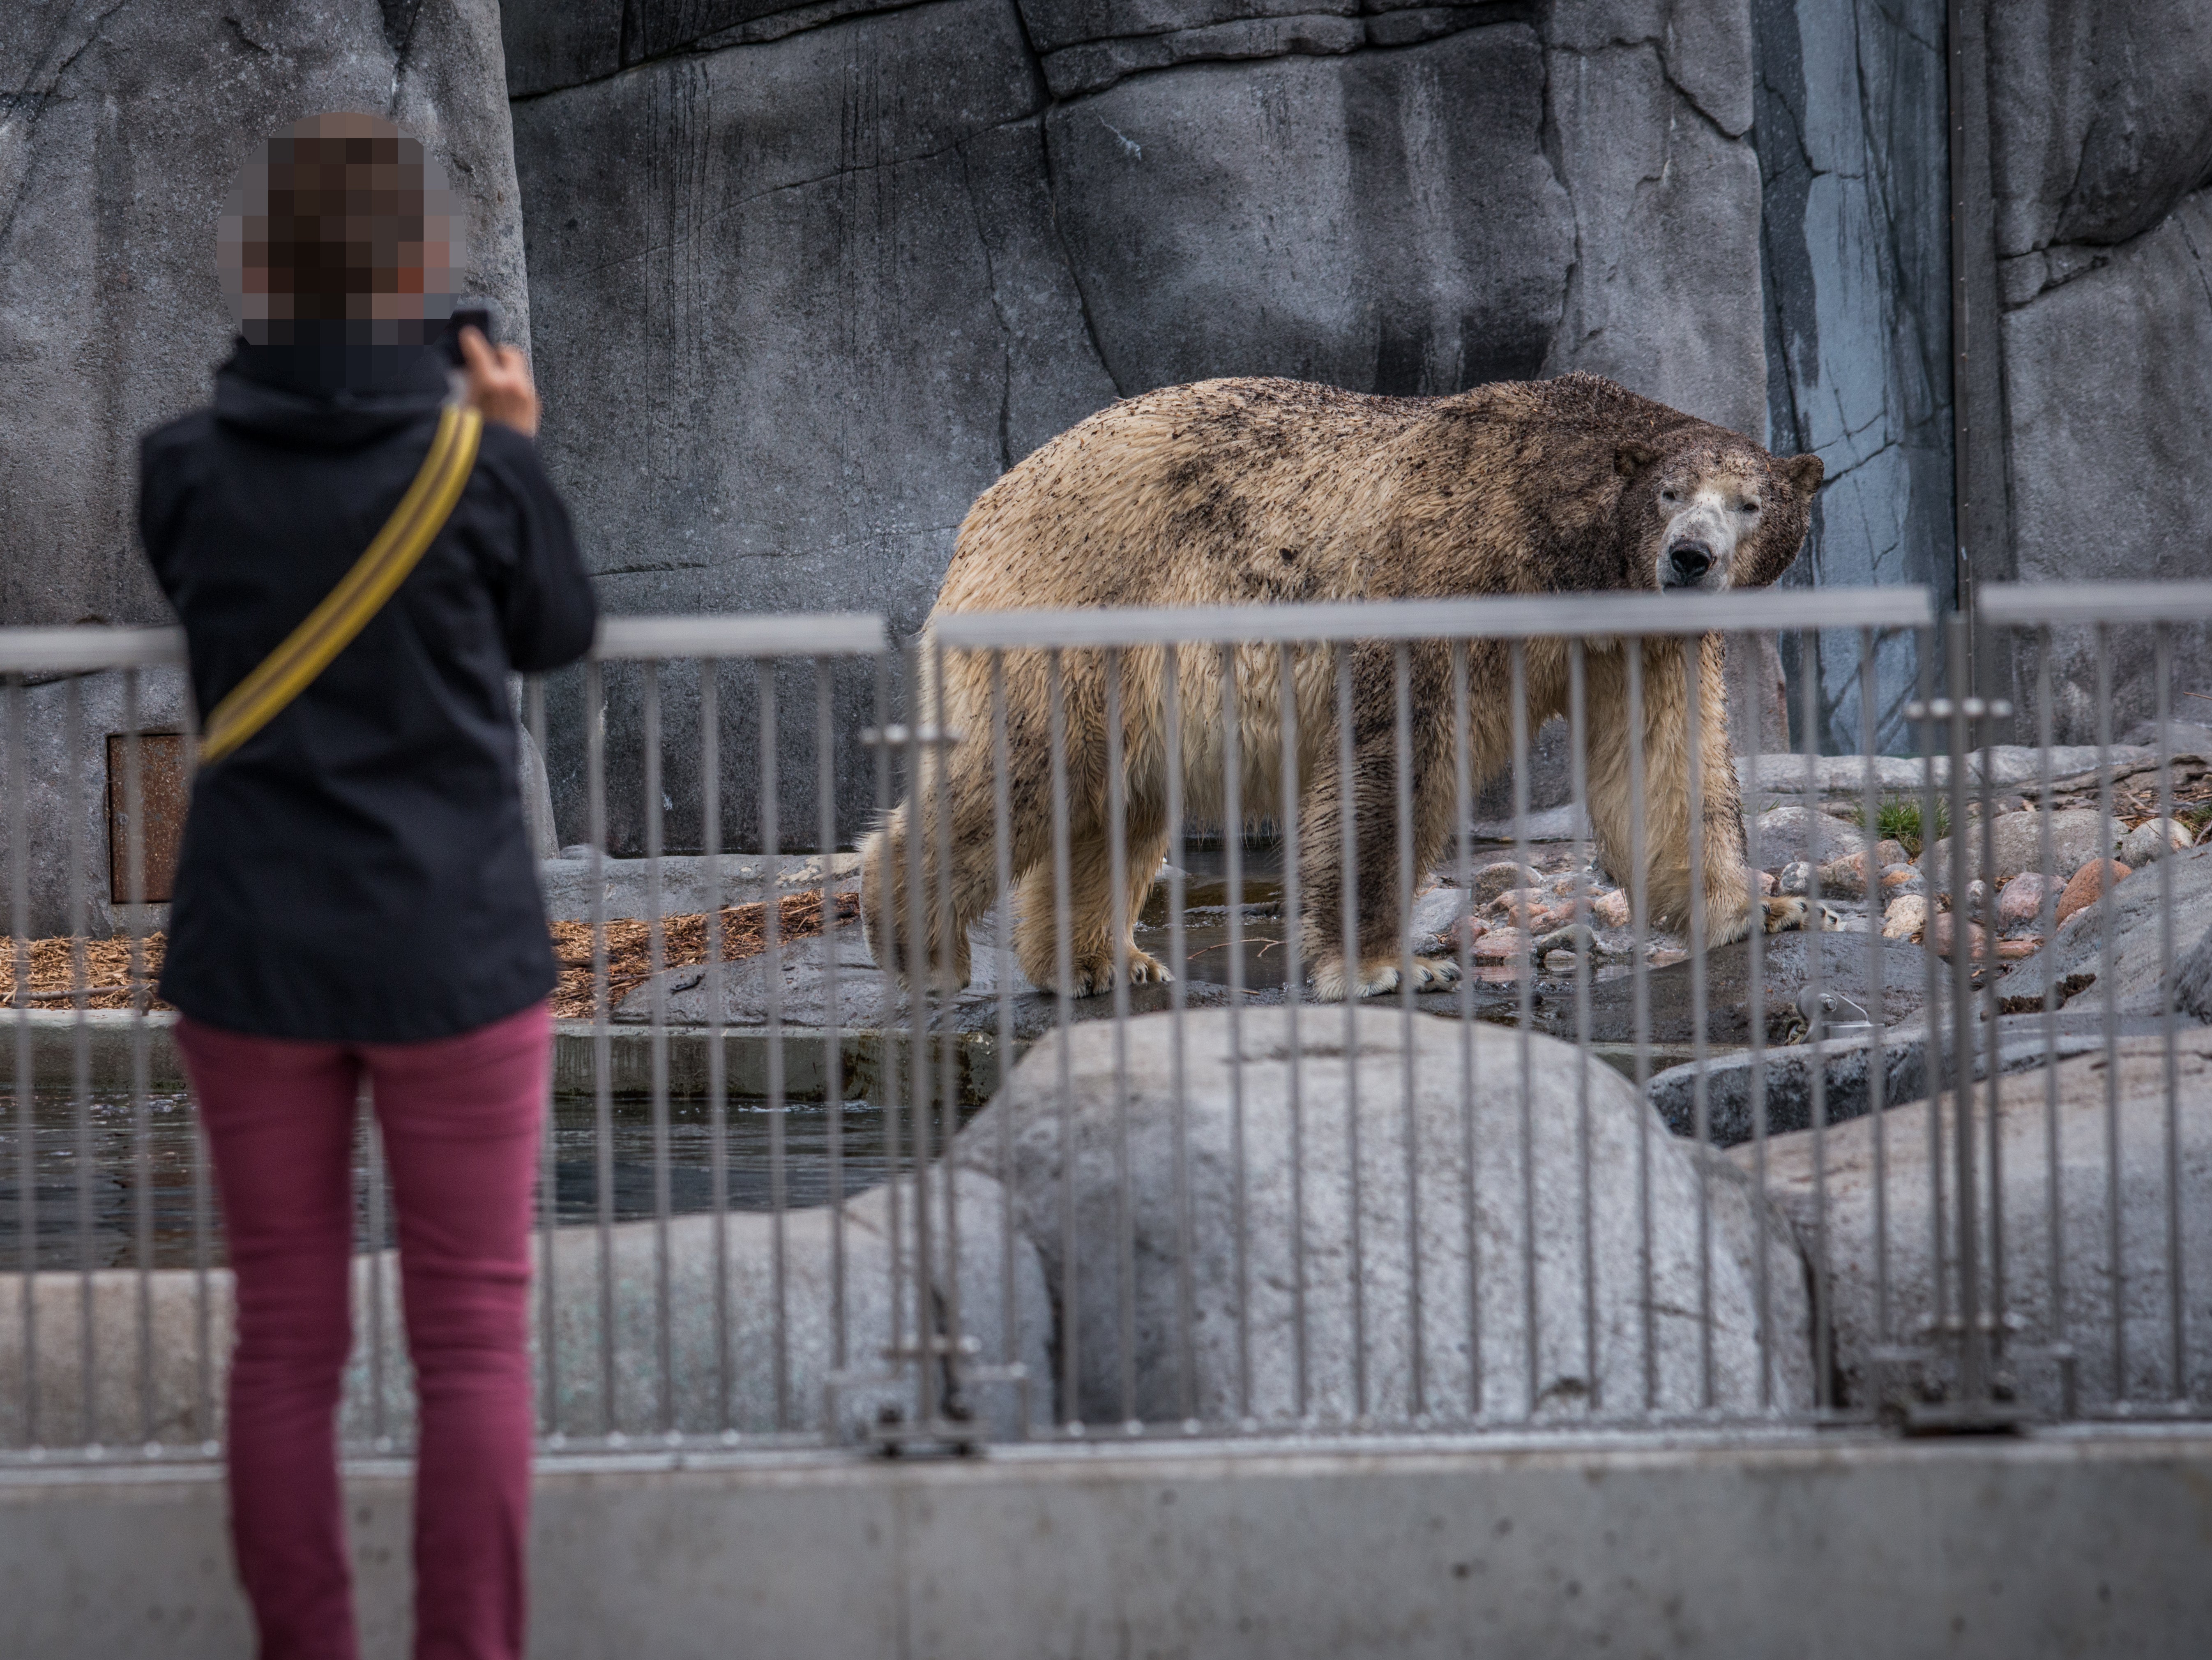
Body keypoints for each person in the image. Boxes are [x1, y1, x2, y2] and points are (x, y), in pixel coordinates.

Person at [140, 112, 596, 1660]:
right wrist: (514, 447)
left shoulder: (182, 467)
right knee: (472, 1343)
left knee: (283, 1348)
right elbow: (557, 634)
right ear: (422, 273)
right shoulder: (478, 464)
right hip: (455, 950)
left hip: (251, 952)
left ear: (256, 270)